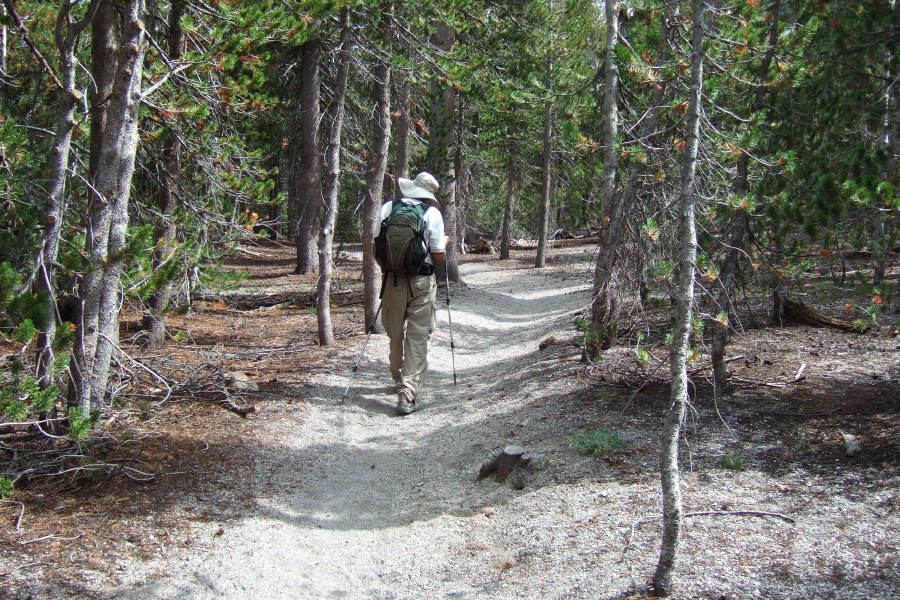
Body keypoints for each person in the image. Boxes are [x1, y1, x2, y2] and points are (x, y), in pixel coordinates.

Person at [372, 172, 448, 415]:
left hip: (392, 280)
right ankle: (407, 394)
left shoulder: (389, 208)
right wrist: (444, 245)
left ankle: (397, 378)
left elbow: (376, 248)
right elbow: (437, 256)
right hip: (422, 282)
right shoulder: (432, 213)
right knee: (417, 336)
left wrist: (390, 268)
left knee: (395, 333)